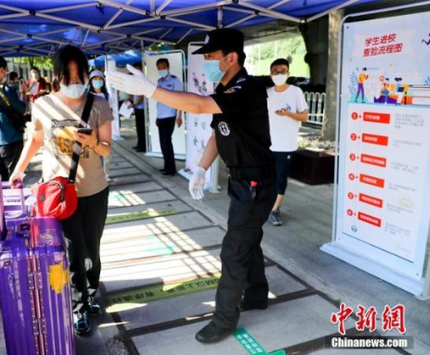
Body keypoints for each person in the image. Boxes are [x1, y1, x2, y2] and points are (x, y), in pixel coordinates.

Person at [107, 28, 276, 344]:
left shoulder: (246, 89)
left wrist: (150, 90)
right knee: (247, 239)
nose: (208, 61)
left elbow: (197, 106)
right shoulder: (224, 87)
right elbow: (218, 133)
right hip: (244, 179)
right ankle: (256, 294)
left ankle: (224, 319)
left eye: (212, 56)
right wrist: (200, 167)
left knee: (234, 249)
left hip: (256, 180)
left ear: (231, 57)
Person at [9, 45, 112, 337]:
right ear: (57, 76)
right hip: (59, 195)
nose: (75, 80)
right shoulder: (42, 105)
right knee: (72, 251)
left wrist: (92, 141)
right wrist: (18, 169)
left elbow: (107, 146)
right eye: (68, 75)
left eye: (79, 74)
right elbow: (35, 141)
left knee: (92, 249)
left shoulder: (99, 103)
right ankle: (78, 305)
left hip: (94, 190)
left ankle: (90, 293)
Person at [266, 58, 308, 226]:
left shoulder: (296, 92)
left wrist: (288, 114)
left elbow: (304, 116)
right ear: (270, 74)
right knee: (265, 178)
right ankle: (265, 206)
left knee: (280, 178)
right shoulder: (267, 93)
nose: (279, 74)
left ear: (288, 73)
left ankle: (275, 210)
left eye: (283, 71)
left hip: (286, 144)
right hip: (267, 144)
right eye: (276, 71)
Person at [155, 58, 183, 175]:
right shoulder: (159, 81)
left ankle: (171, 169)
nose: (162, 69)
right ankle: (167, 166)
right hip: (161, 117)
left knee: (167, 142)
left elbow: (181, 99)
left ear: (168, 67)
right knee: (162, 143)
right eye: (159, 68)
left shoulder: (175, 80)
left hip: (170, 116)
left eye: (163, 67)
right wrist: (157, 117)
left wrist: (179, 116)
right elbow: (159, 102)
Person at [131, 62, 146, 152]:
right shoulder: (136, 80)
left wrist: (134, 104)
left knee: (141, 128)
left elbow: (140, 96)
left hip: (141, 109)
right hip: (137, 108)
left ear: (141, 69)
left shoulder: (142, 80)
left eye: (137, 69)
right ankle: (139, 143)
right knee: (138, 128)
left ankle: (143, 145)